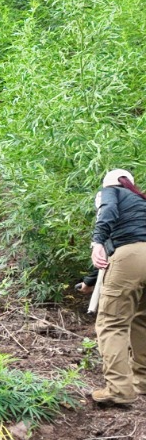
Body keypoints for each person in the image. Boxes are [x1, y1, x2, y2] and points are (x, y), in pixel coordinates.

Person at [88, 168, 146, 407]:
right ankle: (142, 381)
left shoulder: (111, 191)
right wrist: (89, 281)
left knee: (112, 323)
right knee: (142, 320)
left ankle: (120, 390)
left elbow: (108, 216)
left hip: (130, 258)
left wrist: (96, 241)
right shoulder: (141, 201)